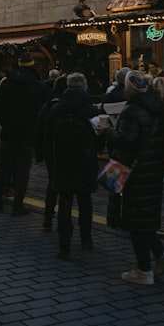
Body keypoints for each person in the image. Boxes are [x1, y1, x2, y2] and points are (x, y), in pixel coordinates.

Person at [108, 70, 164, 285]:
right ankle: (161, 254)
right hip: (151, 169)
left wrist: (106, 132)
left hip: (133, 171)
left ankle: (143, 269)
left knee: (136, 219)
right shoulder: (157, 107)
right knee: (144, 218)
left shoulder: (132, 111)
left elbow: (127, 142)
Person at [0, 52, 49, 216]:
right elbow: (44, 112)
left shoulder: (7, 84)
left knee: (3, 166)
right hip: (28, 133)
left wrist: (4, 123)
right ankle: (18, 204)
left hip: (8, 131)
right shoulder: (39, 86)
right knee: (23, 168)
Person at [48, 73, 100, 260]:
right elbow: (99, 138)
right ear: (84, 86)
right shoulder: (91, 111)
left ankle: (64, 246)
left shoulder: (57, 109)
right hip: (84, 161)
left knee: (65, 201)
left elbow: (48, 135)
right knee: (85, 201)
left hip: (62, 160)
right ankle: (86, 239)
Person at [35, 74, 69, 231]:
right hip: (64, 151)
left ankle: (48, 219)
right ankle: (63, 220)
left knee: (52, 183)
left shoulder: (47, 106)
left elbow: (40, 131)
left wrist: (39, 152)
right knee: (65, 187)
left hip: (50, 151)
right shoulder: (66, 107)